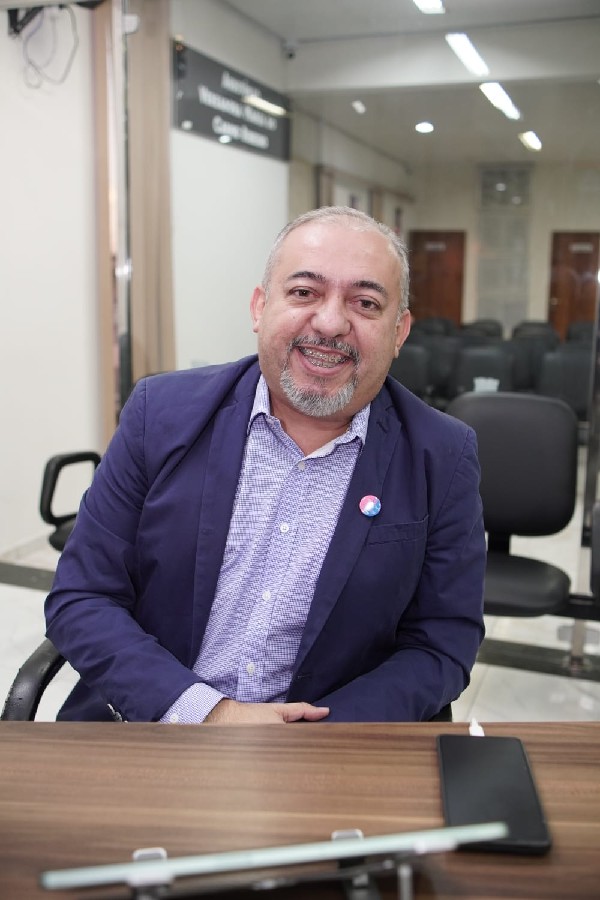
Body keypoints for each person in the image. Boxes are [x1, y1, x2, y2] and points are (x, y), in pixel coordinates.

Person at [45, 206, 486, 724]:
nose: (330, 323)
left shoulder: (442, 454)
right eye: (304, 292)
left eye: (365, 303)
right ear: (260, 307)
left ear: (399, 331)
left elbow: (442, 644)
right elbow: (82, 596)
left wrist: (307, 737)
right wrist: (207, 713)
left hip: (326, 748)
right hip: (152, 725)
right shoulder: (159, 413)